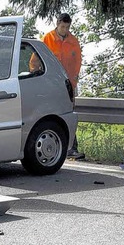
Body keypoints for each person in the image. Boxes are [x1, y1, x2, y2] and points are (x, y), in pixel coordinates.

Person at [42, 13, 84, 159]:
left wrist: (73, 84)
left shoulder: (73, 41)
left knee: (68, 115)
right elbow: (36, 62)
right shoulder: (47, 39)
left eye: (67, 27)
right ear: (57, 24)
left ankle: (72, 148)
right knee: (51, 116)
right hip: (51, 85)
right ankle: (55, 147)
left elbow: (77, 63)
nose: (65, 30)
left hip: (68, 86)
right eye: (62, 27)